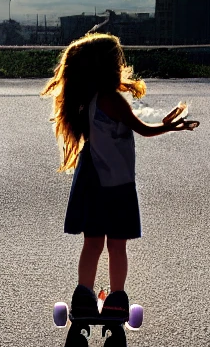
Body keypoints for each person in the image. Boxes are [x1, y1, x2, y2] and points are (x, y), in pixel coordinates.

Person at [41, 33, 199, 318]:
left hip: (91, 178)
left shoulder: (85, 99)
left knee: (92, 242)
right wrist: (170, 127)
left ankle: (83, 296)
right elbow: (144, 130)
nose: (122, 66)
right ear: (108, 67)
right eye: (118, 61)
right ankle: (116, 299)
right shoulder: (112, 100)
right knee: (116, 244)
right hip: (116, 182)